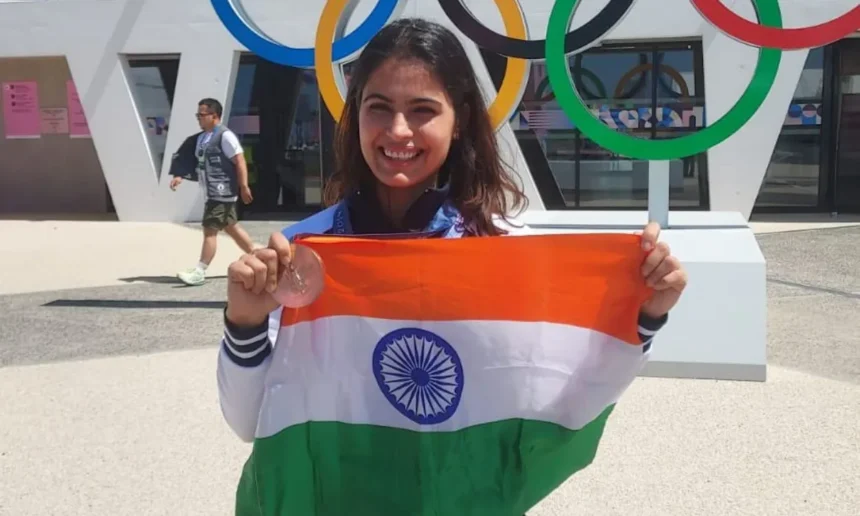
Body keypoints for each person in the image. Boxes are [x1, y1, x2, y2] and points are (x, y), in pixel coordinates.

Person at [217, 18, 688, 514]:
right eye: (379, 109)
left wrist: (644, 316)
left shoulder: (503, 253)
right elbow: (247, 422)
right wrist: (244, 325)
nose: (399, 131)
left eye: (423, 110)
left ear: (458, 119)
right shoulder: (301, 253)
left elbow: (564, 393)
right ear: (356, 114)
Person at [168, 98, 257, 286]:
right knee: (231, 227)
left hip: (221, 191)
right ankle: (258, 256)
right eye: (197, 115)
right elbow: (195, 162)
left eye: (202, 115)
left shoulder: (225, 136)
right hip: (212, 190)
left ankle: (200, 271)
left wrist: (243, 186)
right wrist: (180, 175)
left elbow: (239, 160)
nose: (198, 118)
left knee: (210, 231)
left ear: (214, 116)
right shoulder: (201, 138)